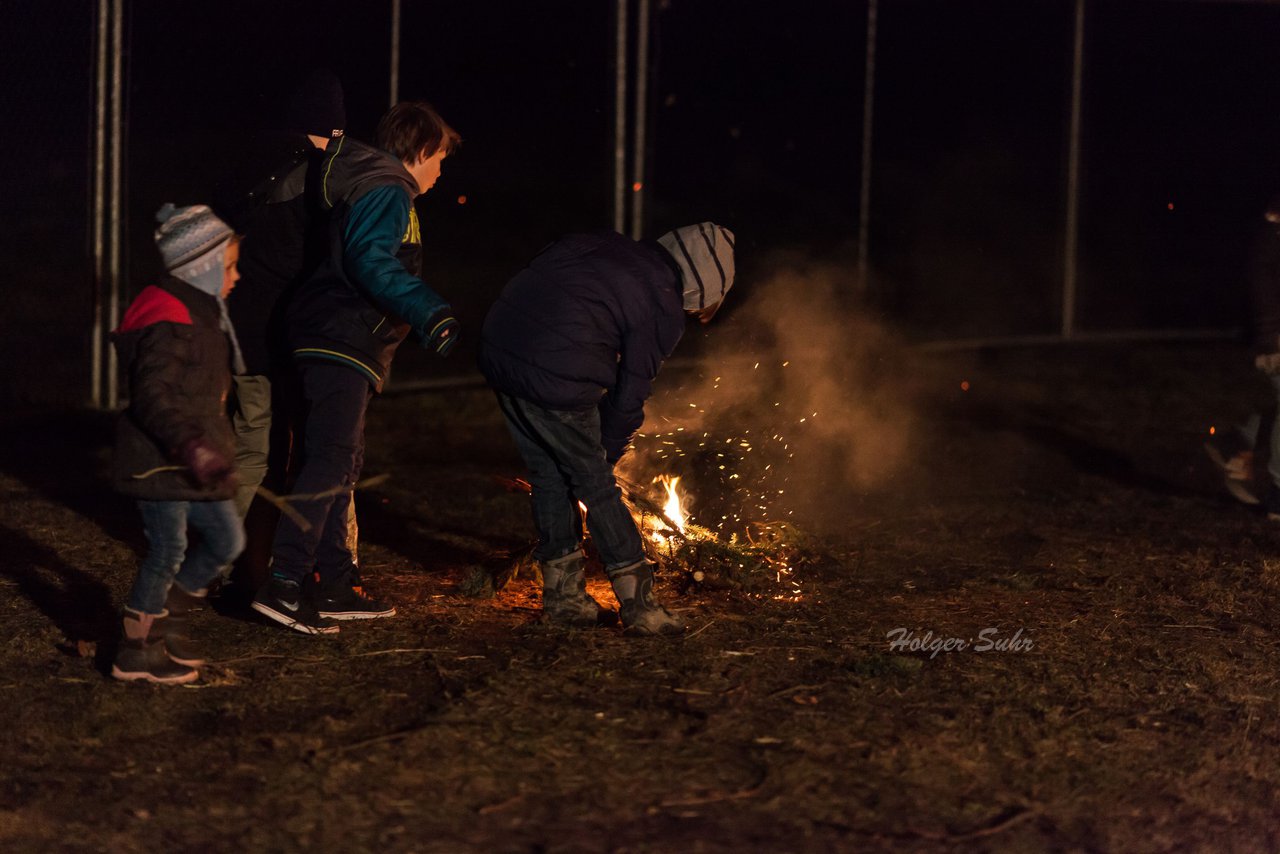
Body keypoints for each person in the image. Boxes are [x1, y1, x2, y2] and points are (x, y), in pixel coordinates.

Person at [251, 100, 461, 635]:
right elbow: (371, 261)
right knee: (328, 461)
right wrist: (428, 309)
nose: (440, 171)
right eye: (438, 158)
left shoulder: (378, 187)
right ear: (416, 152)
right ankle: (286, 582)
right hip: (339, 337)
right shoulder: (388, 189)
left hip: (341, 340)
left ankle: (336, 583)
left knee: (339, 462)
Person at [477, 223, 736, 636]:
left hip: (500, 348)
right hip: (554, 372)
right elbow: (630, 395)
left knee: (548, 476)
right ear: (699, 289)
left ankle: (564, 600)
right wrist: (605, 455)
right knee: (595, 484)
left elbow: (548, 271)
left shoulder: (604, 243)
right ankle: (641, 605)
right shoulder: (661, 303)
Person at [220, 70, 349, 591]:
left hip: (238, 329)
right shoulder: (313, 181)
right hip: (280, 337)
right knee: (280, 450)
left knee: (250, 444)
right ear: (329, 130)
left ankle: (227, 557)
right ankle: (246, 561)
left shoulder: (253, 166)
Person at [110, 204, 246, 683]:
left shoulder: (205, 315)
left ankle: (167, 618)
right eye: (228, 265)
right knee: (167, 549)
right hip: (161, 459)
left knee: (229, 539)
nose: (236, 275)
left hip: (194, 459)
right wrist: (190, 445)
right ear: (202, 267)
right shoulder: (170, 319)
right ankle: (135, 650)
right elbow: (153, 394)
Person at [1206, 195, 1280, 517]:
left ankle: (1238, 443)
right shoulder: (1269, 241)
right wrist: (1270, 339)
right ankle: (1278, 491)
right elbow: (1262, 288)